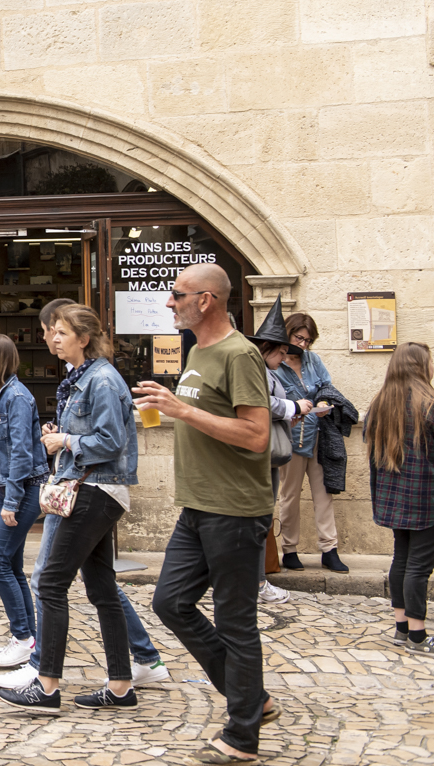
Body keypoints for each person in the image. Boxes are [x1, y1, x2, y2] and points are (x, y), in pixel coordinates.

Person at [136, 264, 277, 765]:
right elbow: (198, 415)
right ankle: (251, 696)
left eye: (177, 295)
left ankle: (242, 736)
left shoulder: (240, 355)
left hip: (235, 510)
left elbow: (256, 435)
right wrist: (166, 408)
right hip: (198, 505)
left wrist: (184, 412)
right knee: (170, 603)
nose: (170, 303)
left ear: (207, 301)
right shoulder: (197, 350)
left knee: (236, 622)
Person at [0, 299, 169, 691]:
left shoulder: (102, 380)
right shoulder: (84, 377)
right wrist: (63, 439)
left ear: (83, 339)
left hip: (93, 489)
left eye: (60, 333)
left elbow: (111, 441)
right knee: (101, 586)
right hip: (87, 485)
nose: (52, 339)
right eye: (52, 331)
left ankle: (46, 682)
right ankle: (124, 682)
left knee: (50, 583)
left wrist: (66, 440)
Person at [363, 342, 434, 659]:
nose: (432, 368)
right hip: (426, 498)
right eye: (429, 362)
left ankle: (401, 628)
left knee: (402, 560)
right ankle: (418, 635)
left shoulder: (379, 403)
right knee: (419, 566)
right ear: (421, 367)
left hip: (392, 498)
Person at [0, 334, 48, 670]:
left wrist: (11, 501)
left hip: (22, 490)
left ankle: (23, 638)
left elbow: (21, 453)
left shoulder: (16, 397)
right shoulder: (0, 396)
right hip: (12, 488)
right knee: (11, 565)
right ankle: (28, 638)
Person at [274, 313, 347, 573]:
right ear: (288, 333)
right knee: (290, 495)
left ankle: (330, 549)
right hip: (291, 439)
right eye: (299, 338)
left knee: (324, 494)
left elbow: (327, 388)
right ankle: (290, 549)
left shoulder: (313, 360)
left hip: (317, 436)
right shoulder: (275, 363)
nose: (304, 344)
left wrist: (325, 403)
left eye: (308, 340)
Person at [247, 297, 307, 606]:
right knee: (258, 519)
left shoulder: (267, 371)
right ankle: (255, 582)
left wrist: (290, 414)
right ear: (268, 348)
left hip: (267, 453)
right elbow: (260, 404)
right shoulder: (256, 369)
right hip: (259, 454)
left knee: (260, 518)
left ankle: (253, 581)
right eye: (281, 351)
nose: (285, 357)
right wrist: (294, 407)